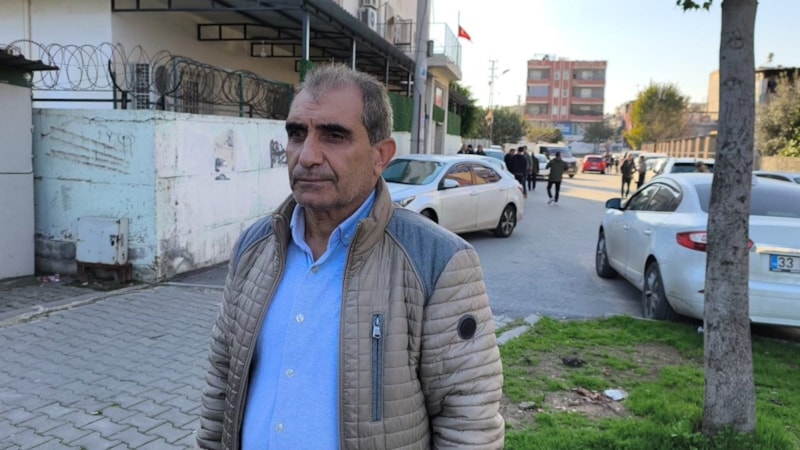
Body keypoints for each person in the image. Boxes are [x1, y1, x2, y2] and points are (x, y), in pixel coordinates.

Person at [198, 64, 505, 450]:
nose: (307, 156)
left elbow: (468, 421)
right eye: (297, 134)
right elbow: (222, 383)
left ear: (381, 156)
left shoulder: (437, 261)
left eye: (334, 136)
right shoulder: (253, 248)